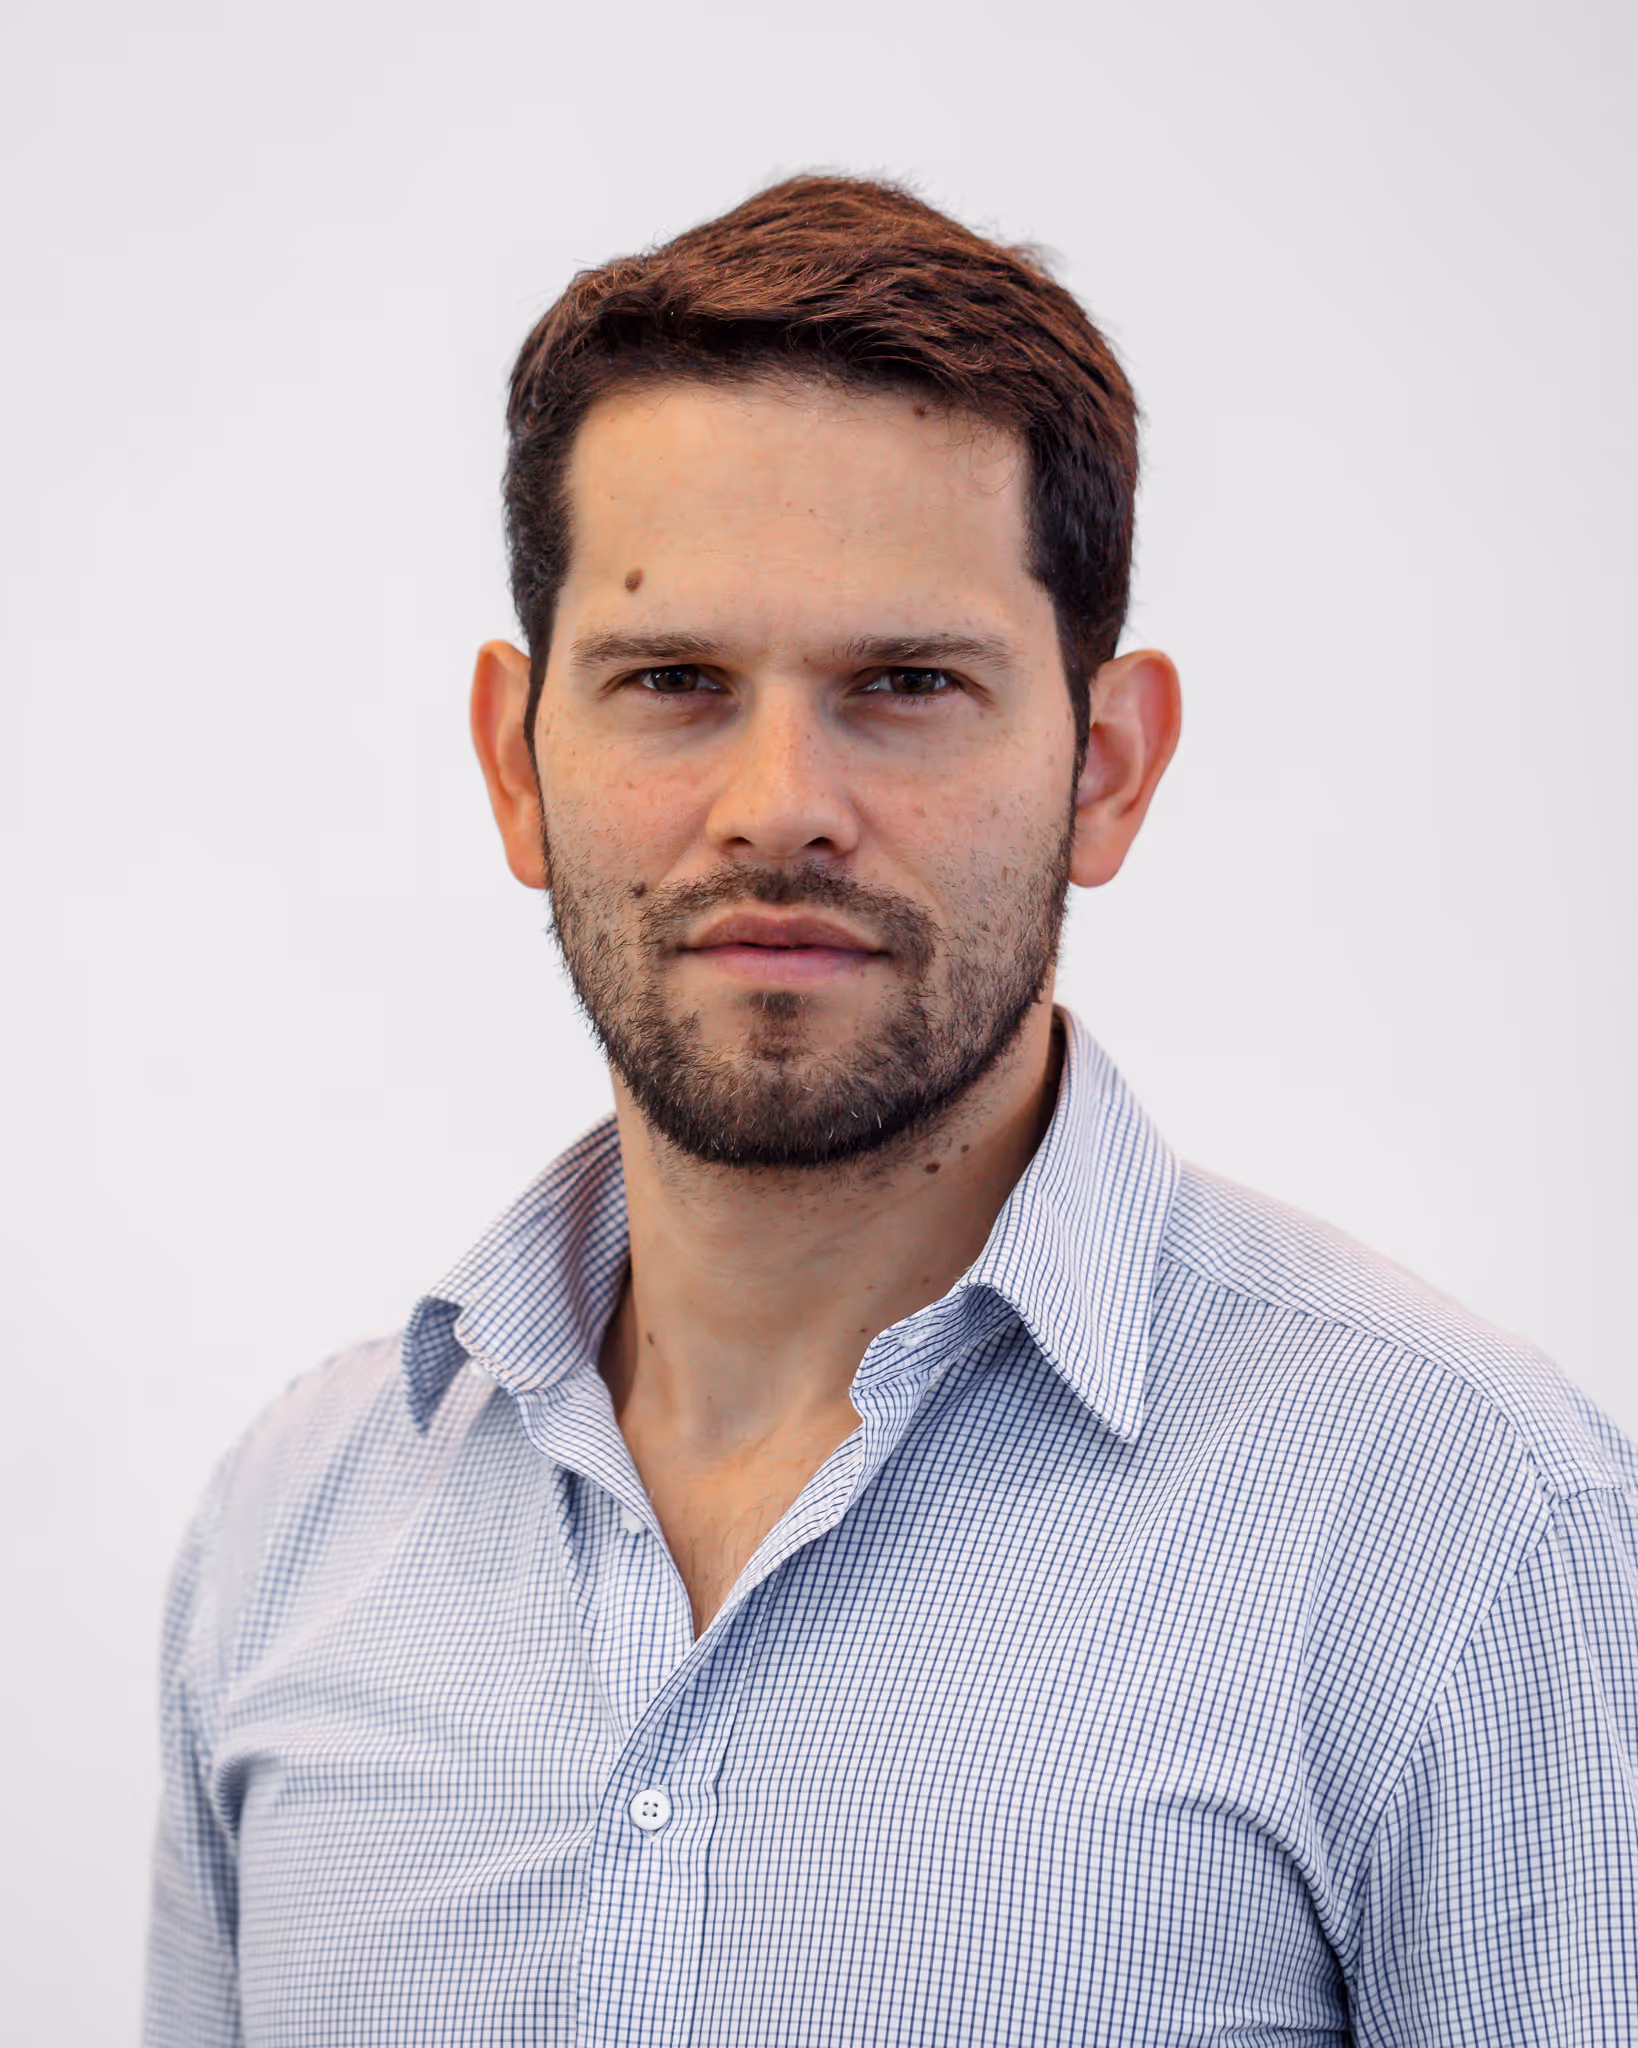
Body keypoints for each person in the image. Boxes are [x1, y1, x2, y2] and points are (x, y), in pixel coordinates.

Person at [144, 175, 1637, 2046]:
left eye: (905, 685)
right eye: (673, 681)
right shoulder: (296, 1524)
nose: (778, 802)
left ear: (1102, 769)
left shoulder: (1467, 1528)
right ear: (516, 767)